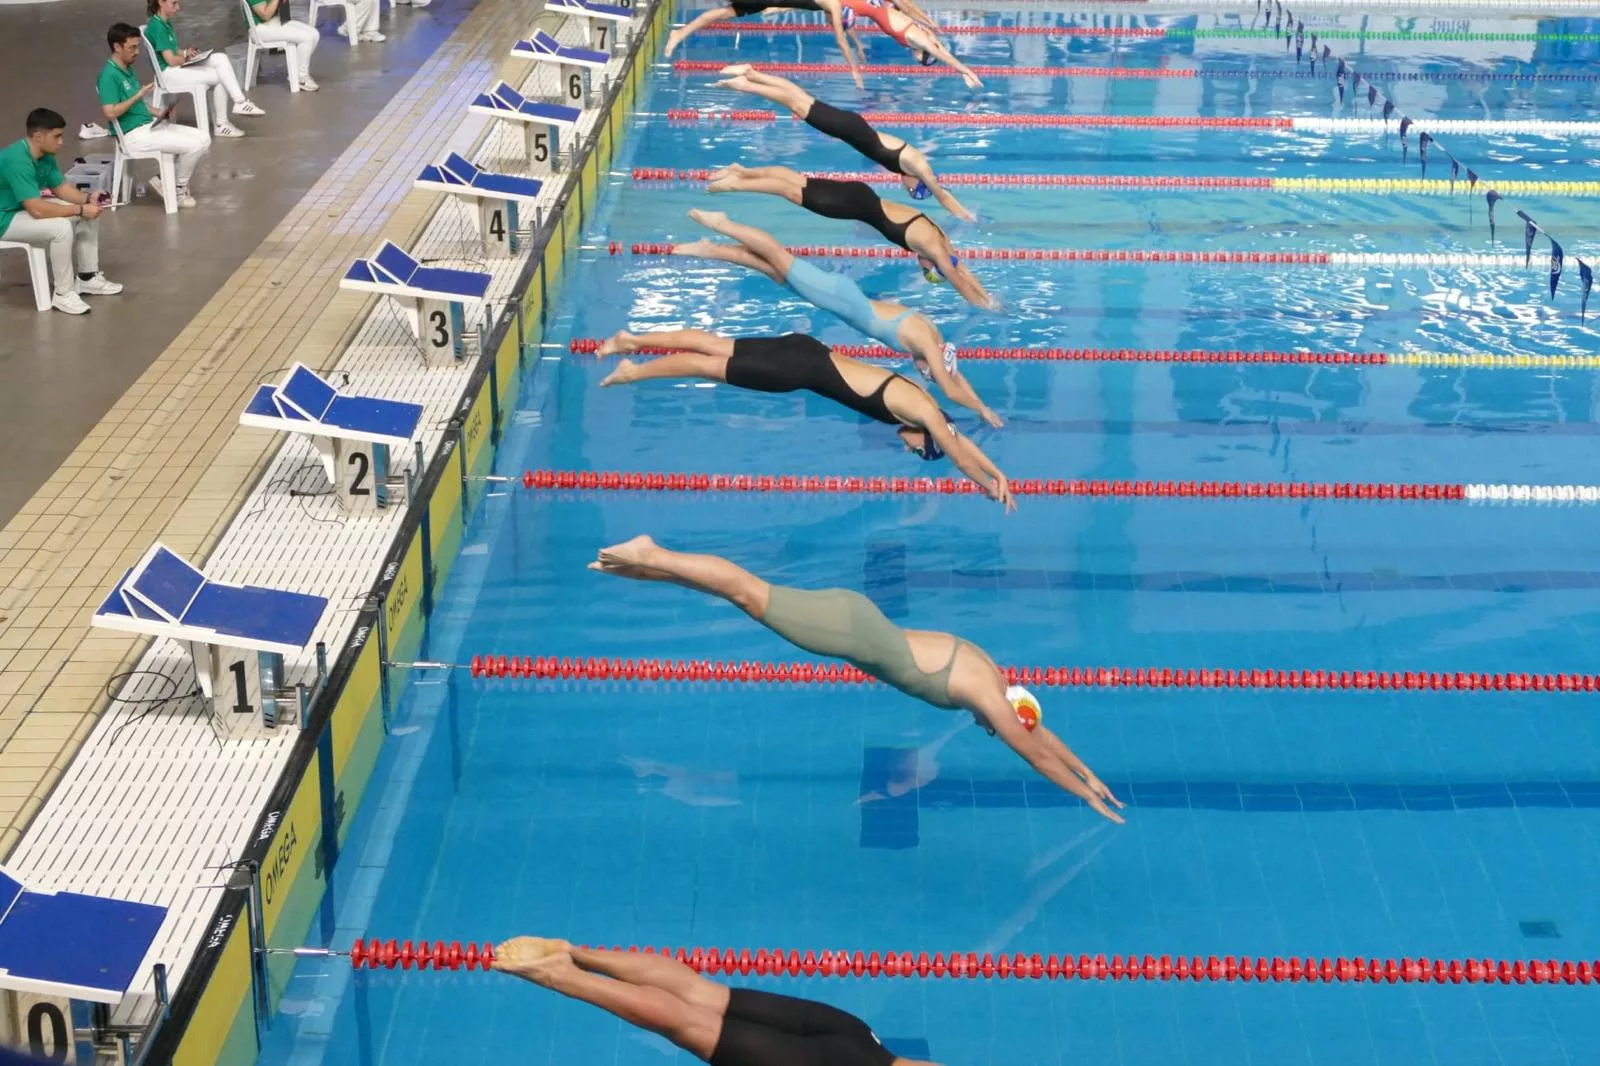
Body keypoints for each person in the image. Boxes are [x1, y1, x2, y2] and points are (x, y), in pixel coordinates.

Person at [589, 535, 1126, 820]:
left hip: (857, 616)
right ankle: (653, 553)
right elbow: (1035, 754)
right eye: (1000, 726)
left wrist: (1089, 774)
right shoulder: (987, 699)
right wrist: (1084, 797)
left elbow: (1040, 737)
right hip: (851, 633)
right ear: (1005, 714)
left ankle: (639, 568)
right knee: (749, 593)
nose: (993, 728)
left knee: (745, 599)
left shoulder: (991, 670)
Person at [592, 327, 1014, 508]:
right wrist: (986, 487)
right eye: (919, 452)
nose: (910, 450)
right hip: (796, 370)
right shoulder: (922, 414)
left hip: (807, 348)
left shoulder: (924, 405)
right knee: (705, 367)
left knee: (714, 344)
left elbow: (958, 441)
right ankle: (633, 372)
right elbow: (959, 455)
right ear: (928, 438)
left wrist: (998, 474)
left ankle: (632, 340)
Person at [672, 209, 1000, 427]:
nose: (922, 372)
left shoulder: (931, 335)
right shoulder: (926, 345)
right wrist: (981, 409)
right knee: (779, 258)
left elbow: (955, 378)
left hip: (841, 297)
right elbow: (951, 388)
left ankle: (710, 249)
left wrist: (977, 401)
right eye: (929, 373)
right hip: (839, 298)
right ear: (934, 363)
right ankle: (722, 224)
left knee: (773, 271)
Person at [494, 936, 941, 1066]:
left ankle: (572, 952)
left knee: (700, 992)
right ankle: (562, 976)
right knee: (688, 1024)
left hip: (863, 1041)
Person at [707, 163, 995, 310]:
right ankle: (734, 185)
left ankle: (742, 171)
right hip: (853, 205)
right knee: (790, 191)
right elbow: (957, 279)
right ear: (933, 264)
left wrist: (988, 297)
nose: (921, 267)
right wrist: (981, 306)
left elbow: (961, 270)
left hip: (861, 195)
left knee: (797, 181)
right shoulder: (933, 248)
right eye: (927, 271)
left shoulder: (941, 238)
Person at [714, 65, 973, 221]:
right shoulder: (919, 167)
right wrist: (964, 215)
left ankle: (751, 74)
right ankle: (746, 84)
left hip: (851, 128)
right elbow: (942, 194)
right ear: (920, 183)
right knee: (796, 102)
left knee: (799, 98)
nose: (907, 190)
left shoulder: (912, 165)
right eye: (913, 192)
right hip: (849, 128)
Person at [0, 109, 123, 314]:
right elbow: (37, 210)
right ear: (38, 137)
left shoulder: (45, 155)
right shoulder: (17, 160)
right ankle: (63, 294)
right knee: (61, 228)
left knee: (89, 213)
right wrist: (80, 209)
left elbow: (62, 189)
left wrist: (88, 199)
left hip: (18, 210)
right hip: (3, 218)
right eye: (57, 136)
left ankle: (87, 277)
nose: (61, 142)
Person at [98, 25, 210, 208]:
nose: (137, 52)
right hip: (132, 135)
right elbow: (110, 113)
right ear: (117, 47)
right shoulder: (108, 76)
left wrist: (159, 112)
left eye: (138, 46)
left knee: (203, 138)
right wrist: (138, 95)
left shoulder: (127, 69)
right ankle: (177, 187)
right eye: (132, 47)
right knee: (194, 145)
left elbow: (136, 105)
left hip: (147, 126)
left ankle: (164, 180)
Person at [665, 0, 864, 88]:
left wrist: (778, 9)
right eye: (834, 23)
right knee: (724, 12)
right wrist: (854, 71)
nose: (830, 24)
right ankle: (679, 34)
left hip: (768, 2)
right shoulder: (834, 5)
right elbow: (840, 40)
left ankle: (679, 33)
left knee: (723, 14)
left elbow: (800, 3)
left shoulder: (827, 6)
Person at [144, 0, 263, 139]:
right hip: (168, 73)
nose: (178, 7)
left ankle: (240, 102)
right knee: (219, 76)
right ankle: (221, 124)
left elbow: (173, 50)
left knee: (220, 58)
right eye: (174, 3)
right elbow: (171, 60)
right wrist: (189, 60)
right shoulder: (157, 26)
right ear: (161, 2)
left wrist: (187, 53)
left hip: (175, 67)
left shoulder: (164, 23)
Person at [834, 0, 982, 88]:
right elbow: (944, 57)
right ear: (923, 53)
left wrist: (963, 73)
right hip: (862, 5)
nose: (917, 61)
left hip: (872, 5)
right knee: (838, 19)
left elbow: (941, 49)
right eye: (921, 61)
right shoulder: (919, 40)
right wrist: (968, 72)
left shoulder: (925, 37)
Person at [244, 0, 324, 90]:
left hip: (273, 21)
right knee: (307, 38)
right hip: (259, 29)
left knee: (315, 34)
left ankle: (295, 74)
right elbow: (266, 15)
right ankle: (301, 78)